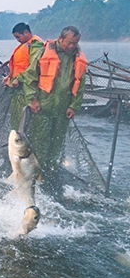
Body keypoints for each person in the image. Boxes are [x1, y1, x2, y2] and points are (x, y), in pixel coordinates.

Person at [21, 26, 87, 173]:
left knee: (56, 144)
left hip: (63, 110)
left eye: (75, 43)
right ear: (61, 38)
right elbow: (30, 77)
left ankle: (50, 172)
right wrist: (32, 99)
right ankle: (37, 173)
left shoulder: (77, 58)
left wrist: (74, 106)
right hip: (43, 107)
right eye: (69, 42)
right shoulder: (44, 52)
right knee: (40, 143)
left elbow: (80, 84)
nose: (71, 46)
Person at [3, 23, 45, 131]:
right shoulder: (24, 44)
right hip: (18, 88)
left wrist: (19, 78)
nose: (17, 40)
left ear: (26, 32)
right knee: (17, 119)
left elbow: (33, 67)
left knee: (28, 121)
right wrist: (9, 77)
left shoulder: (36, 44)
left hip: (28, 88)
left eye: (18, 36)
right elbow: (20, 65)